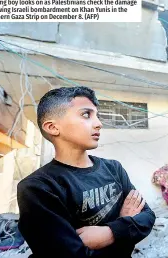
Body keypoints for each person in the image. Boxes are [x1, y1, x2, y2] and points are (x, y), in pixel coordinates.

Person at [16, 87, 156, 258]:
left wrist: (110, 232)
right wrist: (127, 226)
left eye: (97, 115)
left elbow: (147, 216)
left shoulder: (113, 168)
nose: (99, 123)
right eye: (86, 115)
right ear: (53, 127)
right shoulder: (38, 188)